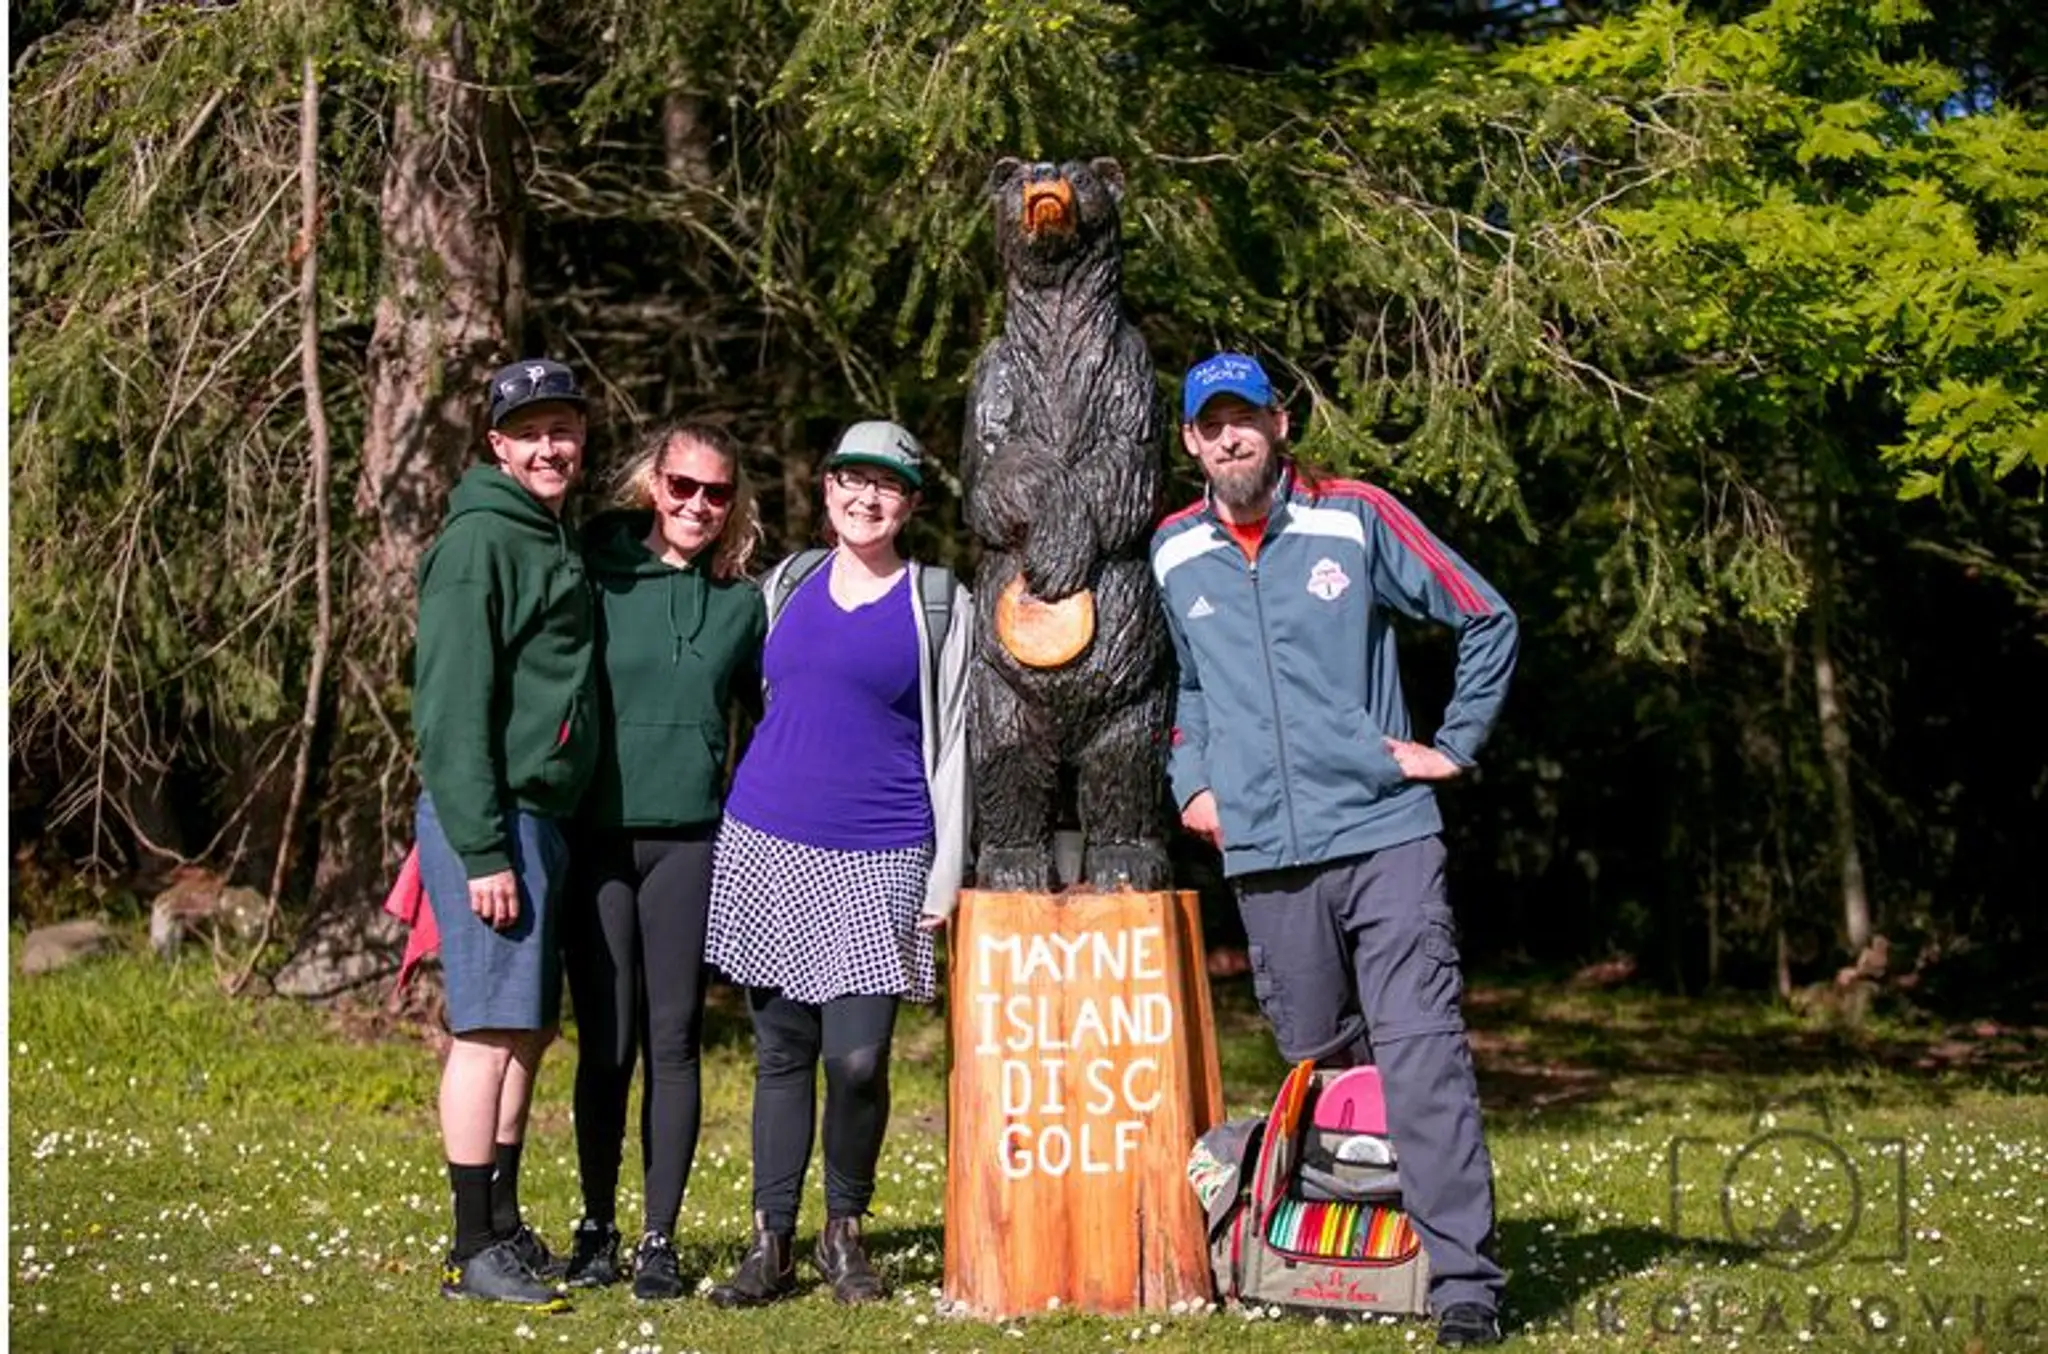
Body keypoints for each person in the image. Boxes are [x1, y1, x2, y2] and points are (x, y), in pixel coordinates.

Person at [1149, 353, 1519, 1349]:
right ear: (1189, 439)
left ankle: (1461, 1285)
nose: (1229, 438)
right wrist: (1193, 784)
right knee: (1313, 1047)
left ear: (1277, 423)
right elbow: (1184, 685)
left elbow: (1484, 615)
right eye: (1209, 423)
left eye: (1244, 419)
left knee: (1419, 1051)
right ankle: (1353, 1226)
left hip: (1382, 832)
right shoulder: (1173, 551)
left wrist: (1451, 746)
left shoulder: (1351, 516)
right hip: (1264, 851)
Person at [702, 420, 971, 1308]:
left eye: (887, 485)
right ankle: (771, 1241)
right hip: (769, 838)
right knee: (781, 1053)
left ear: (911, 505)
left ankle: (843, 1232)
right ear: (825, 491)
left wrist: (945, 871)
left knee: (858, 1061)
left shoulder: (940, 603)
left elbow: (954, 746)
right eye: (852, 480)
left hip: (883, 848)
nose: (867, 497)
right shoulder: (784, 585)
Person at [556, 424, 767, 1299]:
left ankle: (658, 1240)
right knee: (605, 1042)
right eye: (682, 487)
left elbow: (766, 719)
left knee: (673, 1038)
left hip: (688, 840)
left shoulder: (741, 603)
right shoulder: (597, 566)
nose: (696, 507)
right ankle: (597, 1224)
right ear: (654, 484)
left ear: (734, 505)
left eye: (716, 494)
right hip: (597, 835)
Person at [412, 358, 600, 1309]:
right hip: (491, 820)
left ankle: (506, 1224)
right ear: (497, 445)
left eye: (562, 427)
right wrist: (482, 849)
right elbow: (450, 711)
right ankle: (467, 1246)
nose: (550, 446)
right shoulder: (480, 542)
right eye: (530, 432)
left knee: (526, 1033)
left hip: (542, 818)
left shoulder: (548, 536)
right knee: (485, 1035)